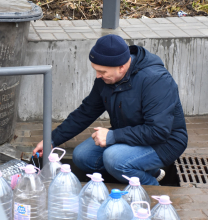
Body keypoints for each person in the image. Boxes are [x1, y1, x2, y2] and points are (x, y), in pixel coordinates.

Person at [32, 34, 188, 186]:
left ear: (121, 67)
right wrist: (52, 140)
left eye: (102, 72)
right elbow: (85, 112)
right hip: (131, 134)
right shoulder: (107, 79)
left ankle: (153, 189)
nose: (98, 76)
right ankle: (147, 170)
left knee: (114, 159)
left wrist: (113, 136)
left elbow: (158, 131)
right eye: (96, 70)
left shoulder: (156, 81)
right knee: (82, 156)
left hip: (165, 142)